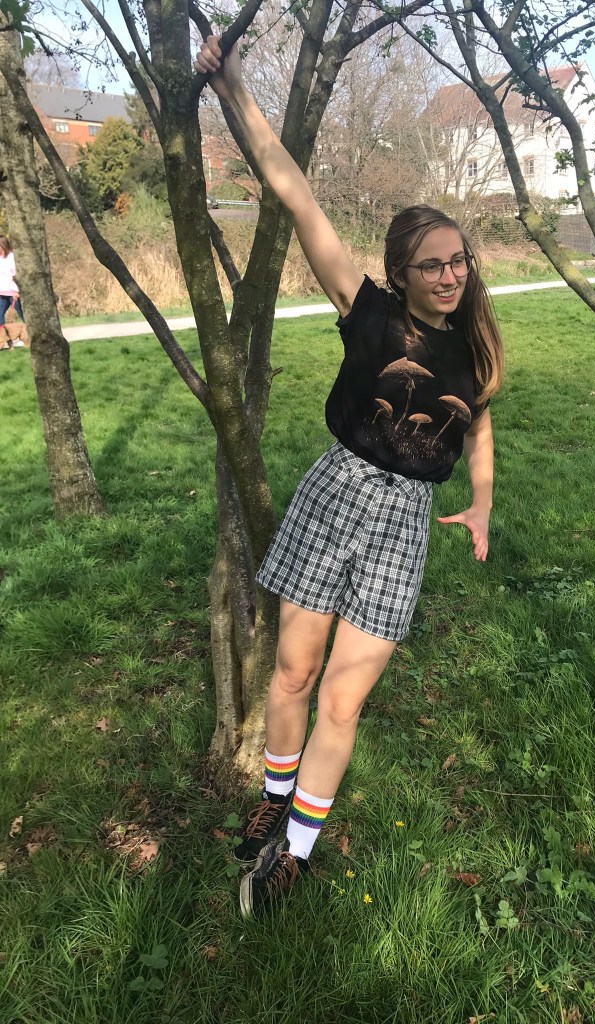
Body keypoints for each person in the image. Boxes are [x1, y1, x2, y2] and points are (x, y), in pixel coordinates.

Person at [194, 36, 505, 919]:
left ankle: (294, 852)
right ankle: (272, 797)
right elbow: (293, 191)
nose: (451, 276)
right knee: (291, 676)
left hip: (406, 523)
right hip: (336, 493)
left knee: (342, 694)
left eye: (461, 261)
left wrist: (481, 503)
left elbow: (477, 430)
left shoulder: (475, 348)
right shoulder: (366, 313)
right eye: (434, 265)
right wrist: (236, 84)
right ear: (401, 271)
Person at [0, 236, 24, 329]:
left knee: (23, 314)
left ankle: (34, 334)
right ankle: (3, 337)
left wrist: (16, 290)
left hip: (13, 292)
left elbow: (16, 274)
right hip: (2, 293)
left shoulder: (11, 257)